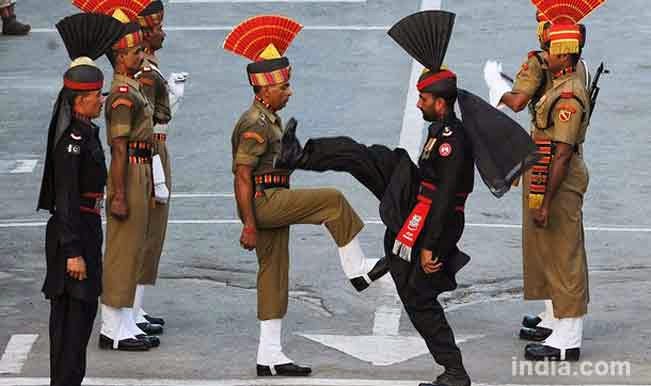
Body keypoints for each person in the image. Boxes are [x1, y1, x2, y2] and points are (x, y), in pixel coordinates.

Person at [276, 10, 537, 386]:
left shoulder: (452, 142)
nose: (418, 104)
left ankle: (454, 371)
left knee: (418, 299)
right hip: (418, 198)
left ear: (440, 103)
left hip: (433, 220)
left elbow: (447, 198)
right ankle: (301, 156)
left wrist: (431, 246)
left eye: (423, 98)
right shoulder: (441, 128)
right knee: (367, 156)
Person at [223, 15, 374, 377]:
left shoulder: (270, 119)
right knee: (333, 201)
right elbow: (242, 175)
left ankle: (269, 355)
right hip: (263, 203)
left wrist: (292, 159)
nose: (289, 92)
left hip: (272, 196)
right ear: (264, 90)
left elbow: (268, 168)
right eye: (284, 86)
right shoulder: (254, 123)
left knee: (273, 274)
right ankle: (358, 269)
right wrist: (248, 223)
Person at [484, 0, 605, 358]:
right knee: (548, 247)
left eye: (550, 47)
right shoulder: (562, 79)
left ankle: (569, 336)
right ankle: (557, 319)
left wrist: (547, 200)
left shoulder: (568, 96)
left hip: (559, 175)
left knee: (564, 250)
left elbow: (564, 153)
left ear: (564, 56)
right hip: (545, 165)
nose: (544, 52)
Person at [37, 13, 126, 386]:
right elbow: (66, 198)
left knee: (80, 319)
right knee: (71, 326)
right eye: (95, 96)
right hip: (72, 235)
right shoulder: (72, 143)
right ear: (79, 100)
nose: (101, 100)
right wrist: (73, 250)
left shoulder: (85, 131)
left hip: (86, 230)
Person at [72, 0, 158, 351]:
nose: (141, 55)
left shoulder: (132, 86)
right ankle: (111, 327)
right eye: (136, 51)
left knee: (134, 245)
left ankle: (123, 320)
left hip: (141, 167)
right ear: (120, 57)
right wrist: (119, 193)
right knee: (122, 249)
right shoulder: (122, 93)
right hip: (130, 171)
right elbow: (119, 147)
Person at [132, 0, 171, 335]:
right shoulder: (144, 72)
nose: (162, 31)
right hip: (150, 150)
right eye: (156, 26)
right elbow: (143, 122)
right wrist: (156, 170)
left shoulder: (149, 64)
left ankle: (136, 307)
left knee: (153, 233)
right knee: (143, 232)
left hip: (159, 143)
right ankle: (128, 310)